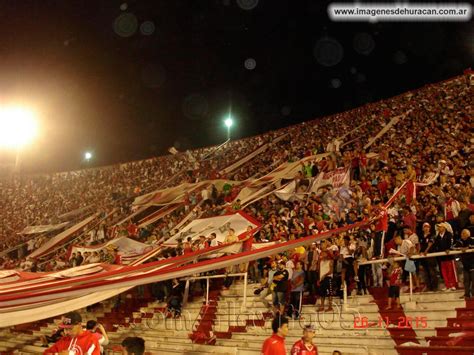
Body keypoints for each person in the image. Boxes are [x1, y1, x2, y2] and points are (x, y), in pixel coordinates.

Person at [454, 229, 474, 299]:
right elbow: (453, 248)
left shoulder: (472, 240)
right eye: (462, 233)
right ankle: (467, 294)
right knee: (466, 281)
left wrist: (468, 247)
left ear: (468, 234)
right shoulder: (459, 241)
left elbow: (472, 246)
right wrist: (460, 248)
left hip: (472, 264)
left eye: (464, 233)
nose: (462, 234)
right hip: (465, 264)